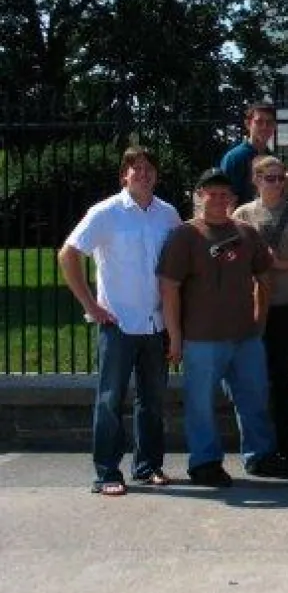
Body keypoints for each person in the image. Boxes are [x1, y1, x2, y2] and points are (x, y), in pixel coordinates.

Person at [157, 168, 288, 487]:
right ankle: (204, 462)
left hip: (245, 338)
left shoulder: (246, 233)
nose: (218, 200)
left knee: (255, 397)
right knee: (200, 404)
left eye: (224, 194)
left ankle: (261, 456)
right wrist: (175, 336)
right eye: (211, 194)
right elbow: (169, 286)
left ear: (232, 199)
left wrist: (259, 322)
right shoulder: (185, 235)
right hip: (201, 339)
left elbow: (264, 277)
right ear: (199, 196)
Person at [59, 146, 181, 496]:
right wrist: (90, 305)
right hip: (118, 323)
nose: (143, 174)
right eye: (135, 168)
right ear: (123, 175)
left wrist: (176, 326)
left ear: (156, 175)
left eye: (149, 168)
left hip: (155, 323)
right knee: (110, 399)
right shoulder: (105, 213)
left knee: (153, 400)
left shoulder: (168, 215)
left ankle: (148, 466)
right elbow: (68, 254)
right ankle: (107, 472)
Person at [232, 155, 288, 467]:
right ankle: (263, 449)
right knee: (259, 380)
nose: (277, 183)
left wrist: (280, 264)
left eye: (281, 177)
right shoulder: (242, 215)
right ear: (256, 180)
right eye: (269, 178)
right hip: (257, 308)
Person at [219, 101, 288, 207]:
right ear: (248, 124)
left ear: (274, 126)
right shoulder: (235, 157)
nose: (265, 127)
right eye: (259, 122)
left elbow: (281, 193)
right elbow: (227, 199)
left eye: (269, 122)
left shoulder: (271, 156)